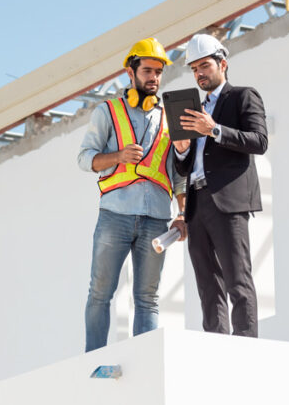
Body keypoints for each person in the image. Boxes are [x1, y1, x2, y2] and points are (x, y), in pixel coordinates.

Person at [78, 37, 186, 352]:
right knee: (100, 292)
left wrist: (182, 213)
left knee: (148, 298)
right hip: (115, 215)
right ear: (131, 71)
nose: (154, 78)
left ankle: (145, 359)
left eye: (158, 72)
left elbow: (180, 173)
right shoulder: (107, 111)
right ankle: (93, 359)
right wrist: (118, 157)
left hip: (156, 219)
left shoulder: (171, 117)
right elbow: (85, 158)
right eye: (148, 71)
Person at [174, 33, 268, 337]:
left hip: (229, 202)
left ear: (222, 64)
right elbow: (184, 166)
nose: (200, 73)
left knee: (238, 282)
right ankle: (214, 351)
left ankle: (247, 350)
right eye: (194, 69)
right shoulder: (193, 111)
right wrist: (182, 148)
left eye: (205, 66)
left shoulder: (243, 96)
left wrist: (214, 130)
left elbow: (259, 141)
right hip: (197, 204)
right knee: (207, 287)